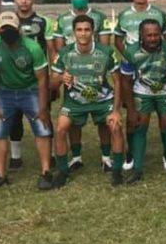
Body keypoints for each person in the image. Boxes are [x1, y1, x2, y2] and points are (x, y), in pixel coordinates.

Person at [0, 12, 54, 190]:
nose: (8, 32)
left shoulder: (32, 48)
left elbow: (42, 79)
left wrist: (43, 107)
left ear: (19, 30)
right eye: (4, 29)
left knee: (42, 128)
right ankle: (0, 174)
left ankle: (46, 172)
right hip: (4, 91)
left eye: (12, 28)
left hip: (30, 90)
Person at [50, 15, 125, 187]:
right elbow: (51, 83)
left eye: (87, 30)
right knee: (60, 128)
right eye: (79, 30)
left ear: (93, 32)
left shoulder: (106, 52)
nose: (83, 33)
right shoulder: (64, 53)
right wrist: (61, 78)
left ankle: (116, 171)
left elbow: (118, 82)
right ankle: (63, 171)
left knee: (115, 126)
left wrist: (116, 111)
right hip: (74, 101)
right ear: (73, 32)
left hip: (102, 99)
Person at [52, 0, 113, 172]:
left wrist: (97, 71)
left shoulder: (100, 17)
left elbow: (105, 47)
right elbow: (59, 49)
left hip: (96, 74)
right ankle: (76, 157)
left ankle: (106, 157)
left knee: (103, 121)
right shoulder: (62, 19)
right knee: (73, 120)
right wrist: (65, 72)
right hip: (72, 75)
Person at [120, 19, 166, 186]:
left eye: (156, 34)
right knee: (140, 127)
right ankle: (137, 170)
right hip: (142, 92)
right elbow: (125, 82)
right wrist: (131, 110)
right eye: (149, 35)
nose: (153, 38)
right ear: (141, 35)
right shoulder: (130, 52)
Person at [8, 0, 57, 170]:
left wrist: (54, 75)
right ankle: (15, 156)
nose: (24, 1)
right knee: (14, 118)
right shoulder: (8, 20)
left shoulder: (43, 21)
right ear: (15, 0)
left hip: (38, 79)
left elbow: (51, 50)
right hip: (13, 79)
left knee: (43, 116)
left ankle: (51, 155)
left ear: (33, 0)